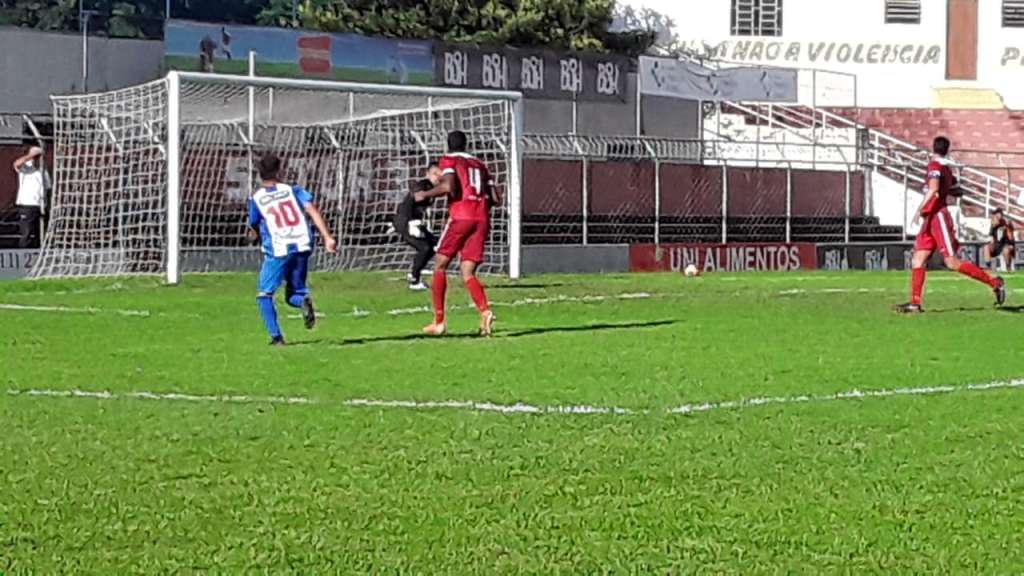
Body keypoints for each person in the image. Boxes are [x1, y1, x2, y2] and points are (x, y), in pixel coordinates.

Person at [894, 136, 1006, 314]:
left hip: (937, 216)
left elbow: (934, 188)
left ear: (933, 148)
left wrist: (918, 210)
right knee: (918, 259)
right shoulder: (946, 168)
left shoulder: (935, 166)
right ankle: (915, 303)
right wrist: (951, 190)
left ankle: (995, 283)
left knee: (951, 262)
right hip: (930, 219)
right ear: (947, 150)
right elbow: (955, 188)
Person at [415, 130, 499, 336]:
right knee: (468, 272)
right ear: (466, 144)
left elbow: (450, 187)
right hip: (482, 218)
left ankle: (439, 321)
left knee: (440, 266)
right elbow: (496, 198)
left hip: (462, 216)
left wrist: (424, 194)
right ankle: (485, 311)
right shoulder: (480, 165)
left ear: (448, 144)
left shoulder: (449, 160)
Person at [248, 153, 337, 346]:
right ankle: (303, 301)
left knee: (264, 294)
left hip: (279, 249)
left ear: (259, 174)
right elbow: (312, 211)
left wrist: (254, 234)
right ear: (280, 170)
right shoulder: (293, 190)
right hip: (303, 245)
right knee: (293, 294)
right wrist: (327, 237)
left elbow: (254, 223)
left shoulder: (257, 198)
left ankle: (276, 338)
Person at [394, 163, 441, 291]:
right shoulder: (424, 185)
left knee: (434, 245)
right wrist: (410, 222)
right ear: (427, 174)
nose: (437, 177)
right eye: (434, 174)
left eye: (439, 174)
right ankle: (414, 281)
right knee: (424, 248)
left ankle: (415, 271)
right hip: (405, 221)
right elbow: (412, 197)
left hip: (414, 221)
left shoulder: (434, 188)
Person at [12, 146, 48, 249]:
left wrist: (47, 205)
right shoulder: (25, 167)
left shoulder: (43, 170)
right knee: (26, 232)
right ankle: (23, 253)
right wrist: (31, 155)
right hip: (27, 205)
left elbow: (47, 188)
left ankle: (38, 252)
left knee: (40, 233)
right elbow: (16, 164)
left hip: (40, 206)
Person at [984, 208, 1016, 273]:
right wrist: (991, 243)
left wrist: (1011, 245)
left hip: (1006, 244)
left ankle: (1008, 267)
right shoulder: (993, 226)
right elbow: (992, 238)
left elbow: (1011, 237)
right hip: (998, 246)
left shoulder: (1006, 224)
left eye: (996, 216)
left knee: (1006, 250)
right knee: (986, 247)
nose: (994, 218)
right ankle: (988, 267)